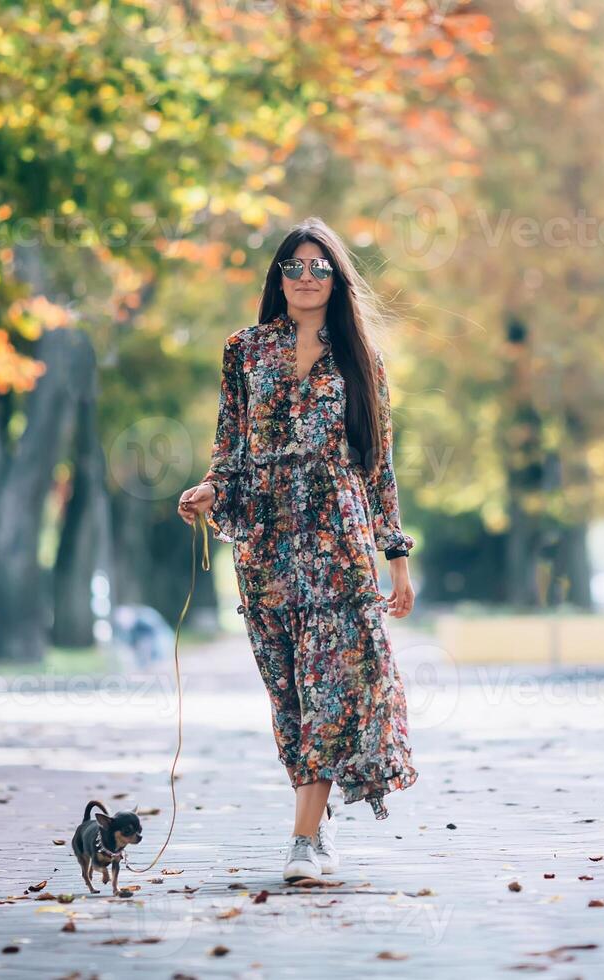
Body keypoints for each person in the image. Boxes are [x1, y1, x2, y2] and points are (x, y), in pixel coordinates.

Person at [177, 217, 419, 882]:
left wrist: (395, 555)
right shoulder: (244, 351)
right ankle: (318, 823)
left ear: (336, 280)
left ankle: (304, 842)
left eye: (320, 267)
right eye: (295, 266)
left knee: (330, 686)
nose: (307, 277)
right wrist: (208, 491)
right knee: (289, 693)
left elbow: (378, 464)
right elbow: (230, 447)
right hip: (265, 546)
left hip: (338, 542)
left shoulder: (360, 360)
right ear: (278, 277)